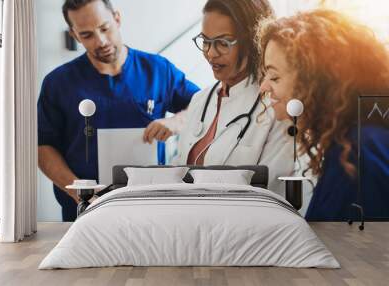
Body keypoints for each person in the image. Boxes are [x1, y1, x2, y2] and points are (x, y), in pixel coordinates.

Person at [37, 0, 199, 221]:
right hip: (84, 211)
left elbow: (204, 104)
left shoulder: (158, 70)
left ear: (117, 18)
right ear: (74, 35)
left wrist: (179, 120)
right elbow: (43, 148)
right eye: (87, 35)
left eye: (104, 28)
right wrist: (79, 193)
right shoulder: (58, 83)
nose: (100, 41)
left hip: (149, 206)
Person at [258, 9, 389, 220]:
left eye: (274, 77)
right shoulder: (366, 137)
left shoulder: (355, 156)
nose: (263, 86)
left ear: (315, 82)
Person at [173, 0, 294, 195]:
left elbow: (273, 190)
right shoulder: (199, 100)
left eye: (222, 43)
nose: (210, 53)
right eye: (205, 41)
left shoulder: (276, 105)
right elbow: (177, 172)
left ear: (252, 42)